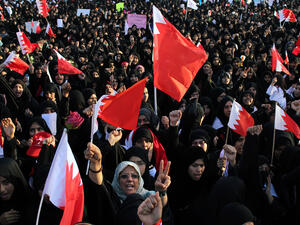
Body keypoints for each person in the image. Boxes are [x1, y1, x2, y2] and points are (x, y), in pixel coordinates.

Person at [84, 142, 171, 225]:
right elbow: (100, 188)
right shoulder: (111, 199)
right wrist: (96, 165)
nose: (129, 179)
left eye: (134, 176)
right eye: (124, 176)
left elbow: (165, 218)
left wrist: (162, 192)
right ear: (117, 180)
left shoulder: (150, 198)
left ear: (140, 180)